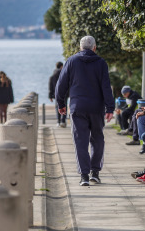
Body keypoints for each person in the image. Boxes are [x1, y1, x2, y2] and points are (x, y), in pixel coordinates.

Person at [55, 36, 115, 186]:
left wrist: (61, 103)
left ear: (80, 47)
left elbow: (60, 85)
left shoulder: (71, 61)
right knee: (98, 139)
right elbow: (106, 87)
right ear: (94, 47)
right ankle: (95, 172)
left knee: (80, 141)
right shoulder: (101, 63)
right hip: (96, 108)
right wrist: (110, 108)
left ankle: (84, 176)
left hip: (77, 107)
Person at [49, 61, 68, 128]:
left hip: (56, 94)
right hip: (64, 94)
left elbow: (50, 86)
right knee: (64, 106)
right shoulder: (63, 74)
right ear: (61, 66)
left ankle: (58, 121)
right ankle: (63, 121)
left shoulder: (52, 75)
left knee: (57, 107)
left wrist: (50, 96)